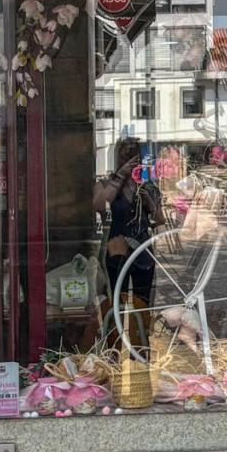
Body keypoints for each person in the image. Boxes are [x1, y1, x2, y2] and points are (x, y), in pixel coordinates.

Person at [94, 138, 165, 329]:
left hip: (143, 252)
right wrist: (120, 177)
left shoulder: (147, 186)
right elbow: (99, 205)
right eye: (125, 155)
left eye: (133, 154)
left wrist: (149, 202)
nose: (129, 159)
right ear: (117, 157)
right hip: (116, 251)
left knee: (142, 304)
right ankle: (114, 342)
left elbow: (160, 219)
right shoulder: (106, 183)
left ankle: (140, 342)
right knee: (116, 302)